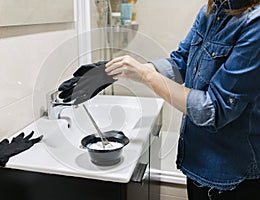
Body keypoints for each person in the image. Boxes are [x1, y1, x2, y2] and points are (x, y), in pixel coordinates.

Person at [104, 0, 260, 199]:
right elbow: (181, 61)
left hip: (231, 179)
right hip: (197, 164)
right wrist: (133, 70)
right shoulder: (210, 10)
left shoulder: (255, 23)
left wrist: (146, 75)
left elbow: (214, 108)